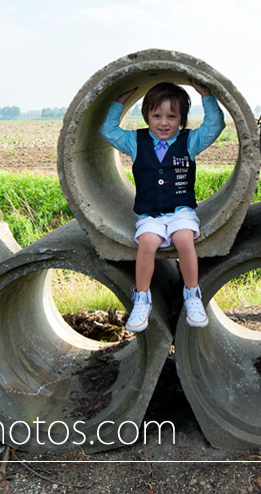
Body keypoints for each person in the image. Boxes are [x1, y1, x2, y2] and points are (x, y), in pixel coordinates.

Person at [100, 79, 224, 332]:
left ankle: (192, 294)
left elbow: (215, 125)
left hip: (181, 210)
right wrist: (119, 102)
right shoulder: (136, 141)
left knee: (183, 239)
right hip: (150, 213)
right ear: (146, 116)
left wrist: (207, 95)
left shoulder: (190, 141)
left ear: (182, 118)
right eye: (156, 115)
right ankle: (142, 299)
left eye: (172, 116)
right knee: (147, 242)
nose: (164, 122)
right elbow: (108, 132)